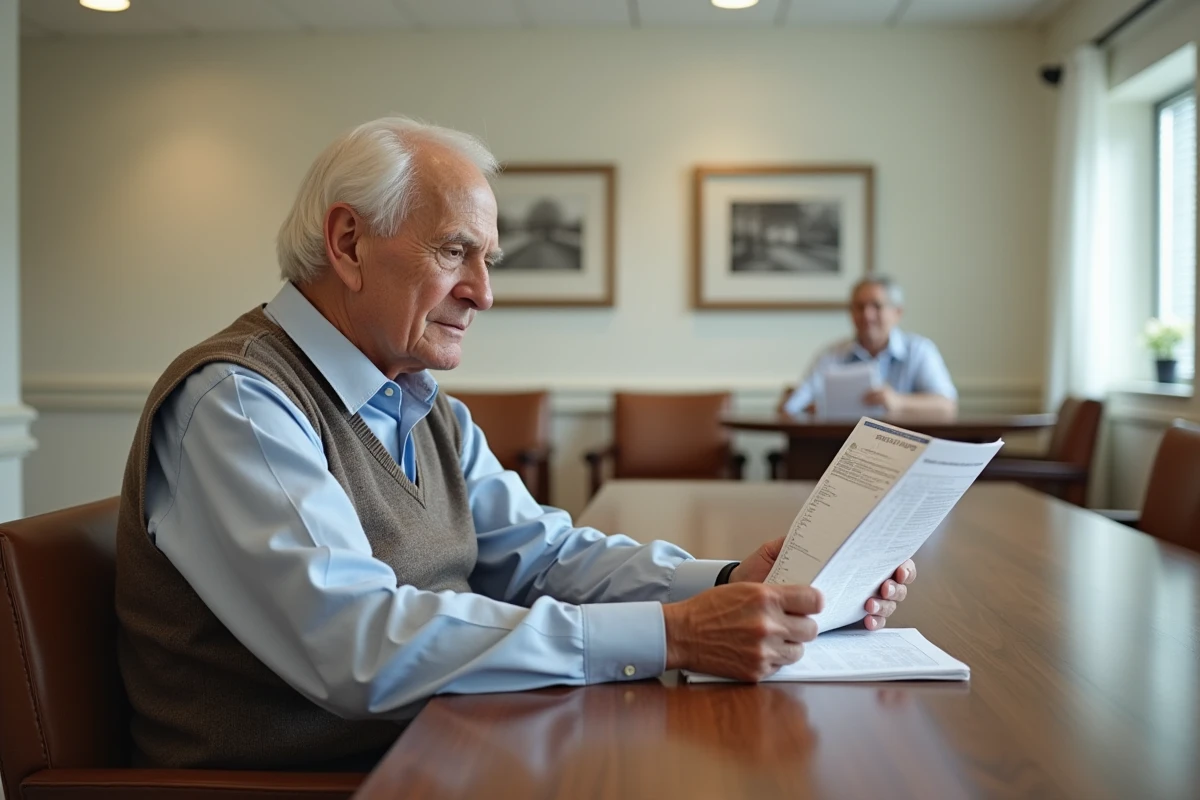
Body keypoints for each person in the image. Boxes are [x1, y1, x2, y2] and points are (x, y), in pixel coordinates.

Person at [114, 117, 917, 771]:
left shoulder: (422, 405)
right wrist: (673, 634)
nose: (484, 293)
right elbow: (355, 647)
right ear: (349, 243)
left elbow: (541, 557)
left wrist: (727, 579)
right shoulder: (240, 402)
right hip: (317, 783)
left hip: (433, 749)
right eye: (454, 251)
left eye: (487, 259)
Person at [779, 276, 957, 418]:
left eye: (876, 306)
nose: (867, 315)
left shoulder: (919, 350)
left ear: (898, 312)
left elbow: (947, 406)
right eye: (859, 307)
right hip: (841, 450)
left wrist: (898, 402)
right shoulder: (832, 354)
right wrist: (800, 403)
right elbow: (793, 404)